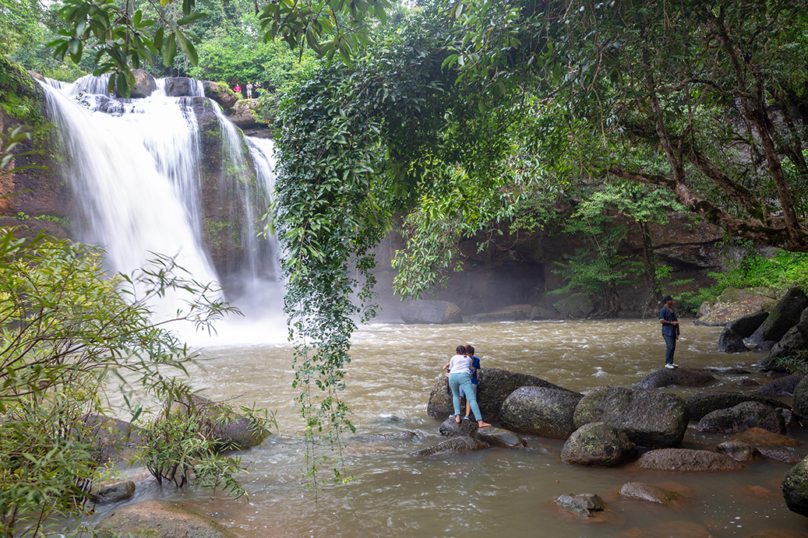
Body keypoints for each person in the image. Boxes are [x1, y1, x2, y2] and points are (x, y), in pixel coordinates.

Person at [443, 345, 491, 428]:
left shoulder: (453, 357)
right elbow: (469, 369)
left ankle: (457, 417)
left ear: (456, 352)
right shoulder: (468, 359)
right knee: (471, 399)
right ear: (465, 352)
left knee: (456, 396)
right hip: (464, 376)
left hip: (453, 376)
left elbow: (451, 368)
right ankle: (480, 421)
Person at [458, 344, 481, 419]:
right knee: (459, 396)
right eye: (464, 353)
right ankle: (456, 413)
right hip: (463, 380)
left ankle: (467, 415)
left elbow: (474, 369)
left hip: (472, 381)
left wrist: (475, 375)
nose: (464, 355)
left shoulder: (476, 360)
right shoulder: (462, 358)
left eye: (466, 354)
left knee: (469, 398)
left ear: (471, 354)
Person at [659, 295, 680, 369]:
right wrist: (672, 323)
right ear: (667, 301)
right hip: (667, 332)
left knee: (673, 347)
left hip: (673, 331)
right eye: (670, 299)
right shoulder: (663, 310)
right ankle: (667, 363)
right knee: (670, 347)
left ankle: (671, 362)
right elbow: (661, 321)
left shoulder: (670, 309)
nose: (672, 300)